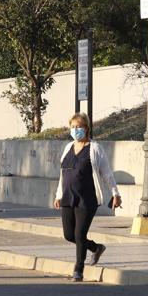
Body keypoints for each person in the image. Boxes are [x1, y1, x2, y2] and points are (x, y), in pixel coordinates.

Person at [53, 113, 121, 282]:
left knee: (79, 234)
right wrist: (58, 195)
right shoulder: (68, 147)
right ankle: (96, 248)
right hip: (68, 197)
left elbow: (106, 173)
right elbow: (63, 174)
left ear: (87, 129)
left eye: (79, 127)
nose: (76, 130)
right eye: (73, 127)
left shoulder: (95, 148)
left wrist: (115, 193)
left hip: (87, 198)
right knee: (69, 235)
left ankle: (78, 270)